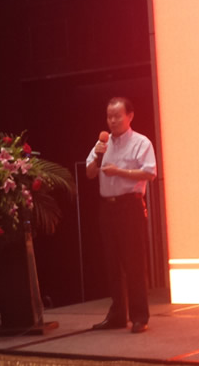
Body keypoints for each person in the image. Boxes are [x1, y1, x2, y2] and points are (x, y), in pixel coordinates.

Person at [86, 97, 157, 334]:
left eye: (117, 116)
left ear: (130, 116)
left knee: (134, 263)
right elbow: (89, 173)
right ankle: (117, 315)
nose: (113, 121)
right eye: (109, 116)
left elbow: (149, 173)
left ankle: (139, 316)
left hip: (130, 207)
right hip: (107, 208)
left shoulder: (141, 142)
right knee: (112, 263)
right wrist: (97, 158)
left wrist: (119, 172)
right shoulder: (102, 143)